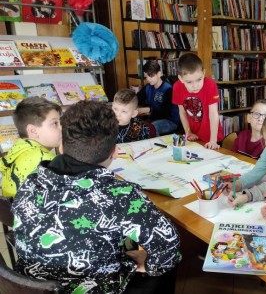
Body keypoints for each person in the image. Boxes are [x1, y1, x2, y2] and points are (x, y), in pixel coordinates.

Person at [12, 101, 181, 294]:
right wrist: (149, 264)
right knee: (167, 263)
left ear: (61, 147)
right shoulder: (121, 195)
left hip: (28, 285)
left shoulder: (31, 181)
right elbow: (168, 246)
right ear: (114, 152)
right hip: (95, 288)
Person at [0, 97, 61, 197]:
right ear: (33, 131)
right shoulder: (45, 160)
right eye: (55, 123)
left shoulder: (18, 150)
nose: (62, 127)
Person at [172, 53, 223, 149]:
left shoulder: (210, 85)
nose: (195, 85)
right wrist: (189, 132)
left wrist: (213, 140)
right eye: (189, 82)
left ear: (203, 73)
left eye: (199, 79)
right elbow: (182, 112)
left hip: (213, 137)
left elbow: (213, 114)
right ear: (181, 79)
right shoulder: (177, 87)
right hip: (194, 138)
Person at [137, 60, 181, 136]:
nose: (148, 79)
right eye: (146, 76)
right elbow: (137, 98)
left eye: (151, 76)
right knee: (137, 125)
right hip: (156, 117)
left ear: (159, 74)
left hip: (171, 120)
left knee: (152, 128)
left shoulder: (168, 89)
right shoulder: (148, 87)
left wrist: (147, 110)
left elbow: (165, 113)